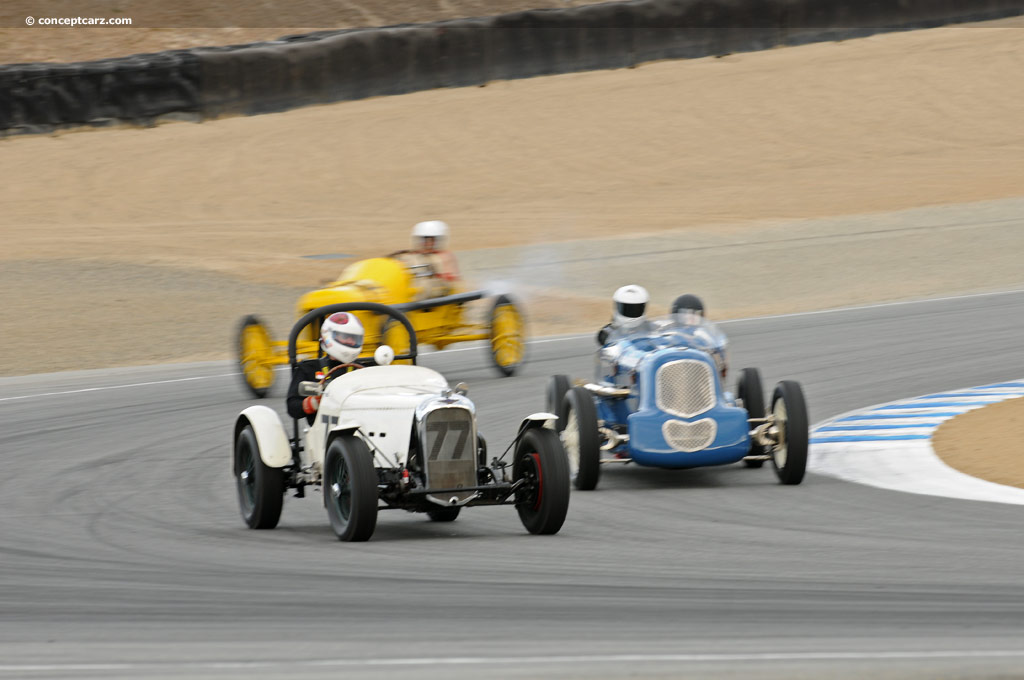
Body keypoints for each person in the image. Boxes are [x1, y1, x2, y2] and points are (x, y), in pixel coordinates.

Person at [287, 312, 365, 424]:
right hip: (323, 430)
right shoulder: (309, 368)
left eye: (354, 338)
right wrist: (312, 403)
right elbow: (292, 408)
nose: (350, 341)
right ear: (328, 336)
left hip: (362, 425)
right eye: (345, 337)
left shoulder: (363, 370)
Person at [409, 220, 460, 297]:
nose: (428, 243)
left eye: (432, 240)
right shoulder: (412, 257)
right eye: (424, 240)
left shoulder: (445, 257)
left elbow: (451, 281)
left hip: (438, 295)